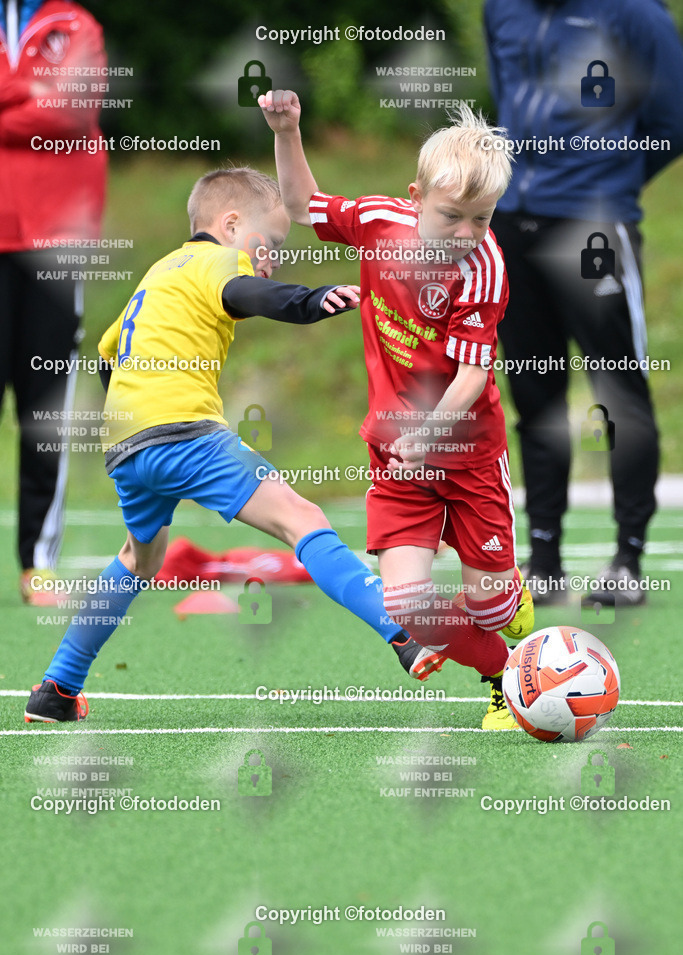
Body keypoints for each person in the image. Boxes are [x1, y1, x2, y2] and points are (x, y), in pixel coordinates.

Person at [24, 167, 444, 724]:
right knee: (302, 518)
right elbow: (246, 292)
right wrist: (310, 300)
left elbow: (106, 355)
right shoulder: (218, 261)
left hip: (127, 444)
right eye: (267, 243)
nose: (269, 257)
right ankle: (402, 632)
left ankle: (58, 687)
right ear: (230, 225)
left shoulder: (158, 273)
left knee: (139, 558)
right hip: (184, 434)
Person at [260, 90, 534, 730]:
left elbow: (473, 374)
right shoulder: (378, 220)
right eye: (452, 217)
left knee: (489, 603)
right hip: (397, 455)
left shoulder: (484, 270)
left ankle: (503, 604)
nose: (468, 234)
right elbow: (302, 206)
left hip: (467, 455)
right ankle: (507, 678)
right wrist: (288, 130)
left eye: (483, 220)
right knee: (408, 604)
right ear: (415, 199)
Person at [484, 0, 683, 606]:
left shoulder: (637, 15)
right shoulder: (501, 9)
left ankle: (628, 558)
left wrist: (604, 181)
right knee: (534, 394)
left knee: (619, 392)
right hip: (512, 223)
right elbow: (506, 106)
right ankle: (543, 558)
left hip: (594, 225)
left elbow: (671, 120)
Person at [0, 0, 107, 603]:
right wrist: (27, 96)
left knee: (45, 411)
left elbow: (68, 113)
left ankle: (37, 564)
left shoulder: (75, 24)